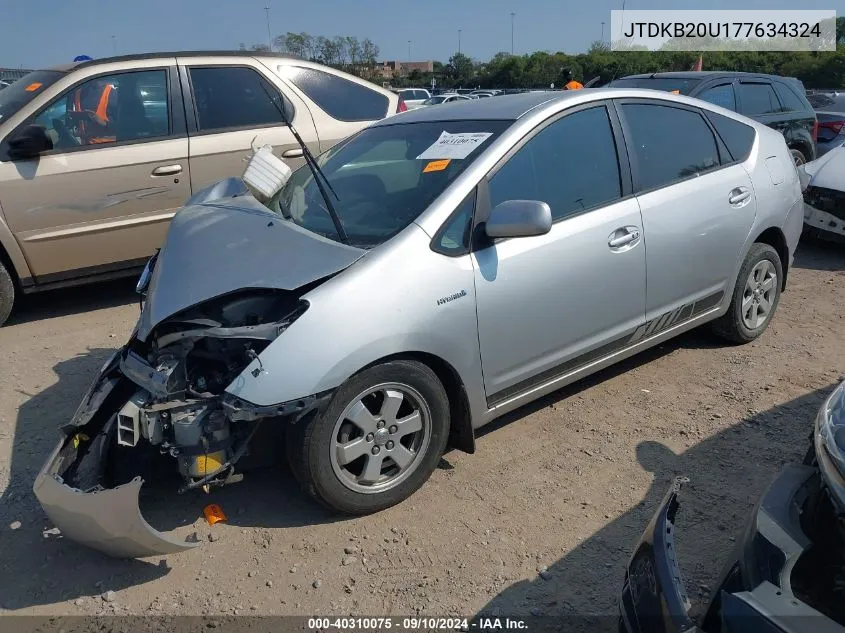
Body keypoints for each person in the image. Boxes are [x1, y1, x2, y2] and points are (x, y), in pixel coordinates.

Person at [69, 78, 118, 144]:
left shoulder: (112, 94)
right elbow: (75, 126)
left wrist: (102, 123)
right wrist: (76, 131)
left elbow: (124, 127)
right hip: (85, 147)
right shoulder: (77, 94)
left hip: (108, 147)